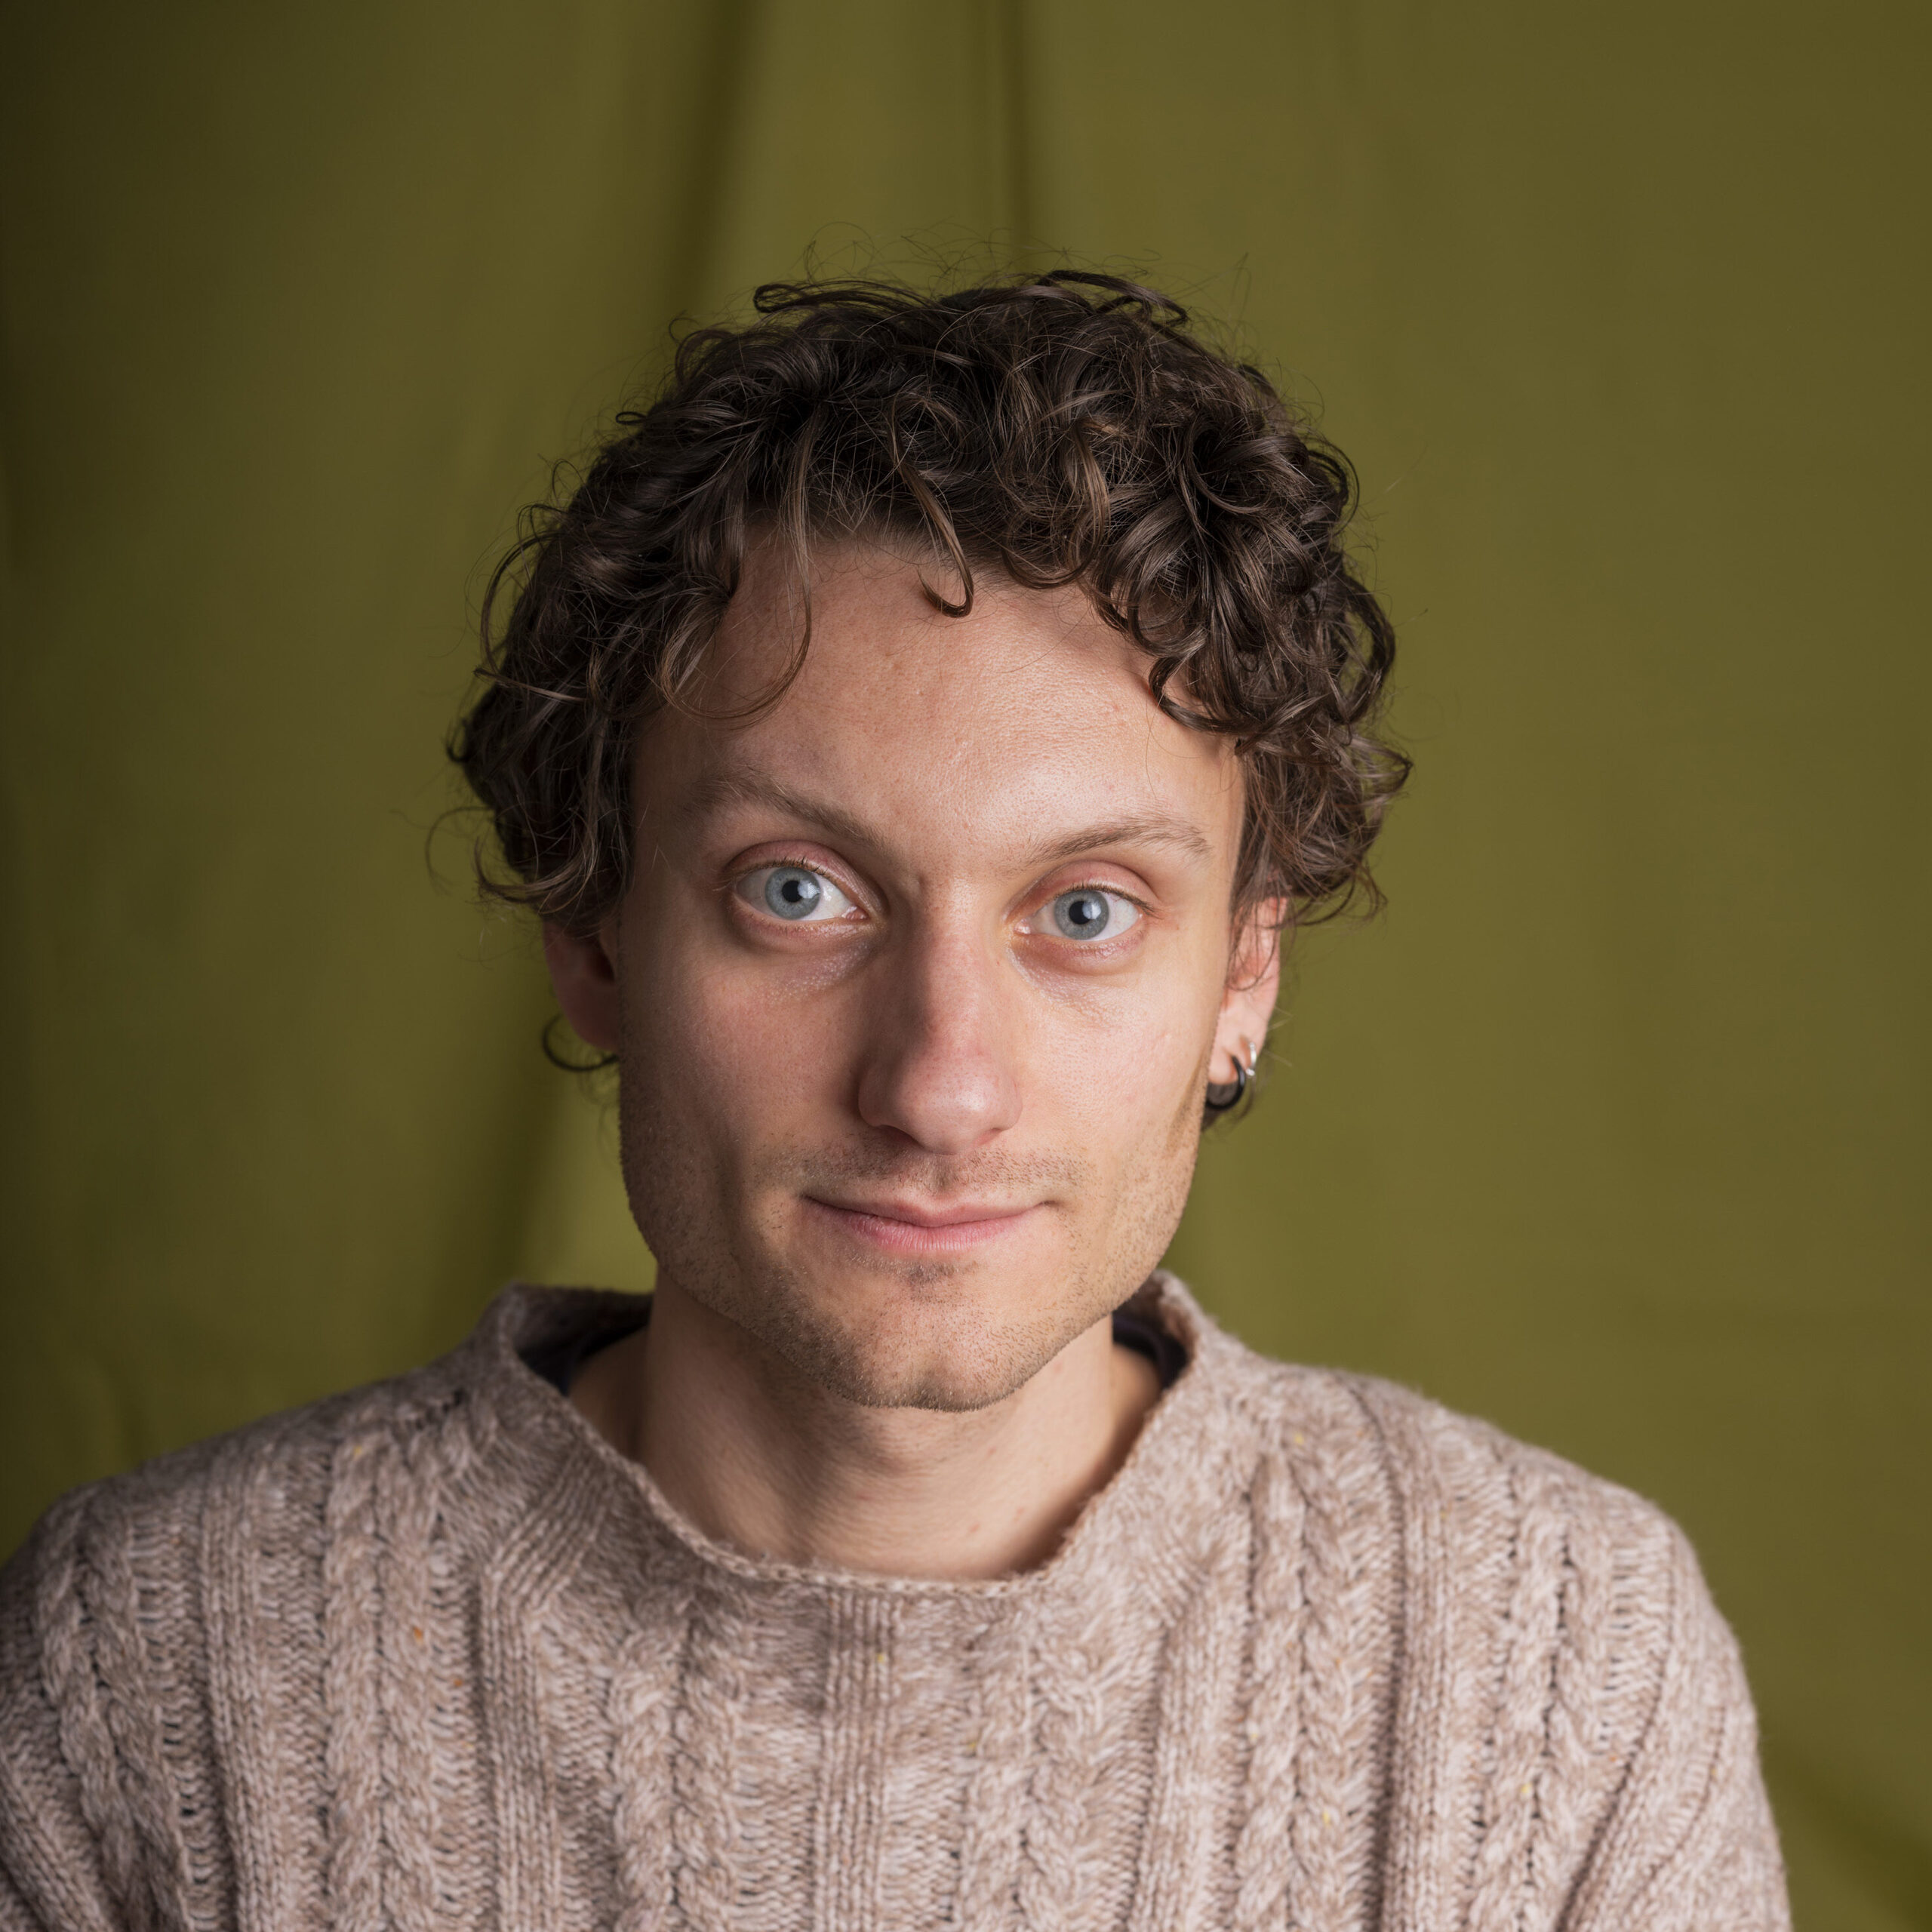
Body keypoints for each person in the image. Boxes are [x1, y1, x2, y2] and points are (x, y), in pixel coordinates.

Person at [0, 275, 1788, 1931]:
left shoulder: (1561, 1675)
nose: (937, 1083)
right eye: (799, 890)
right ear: (593, 935)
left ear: (1240, 982)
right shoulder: (151, 1676)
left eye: (1083, 910)